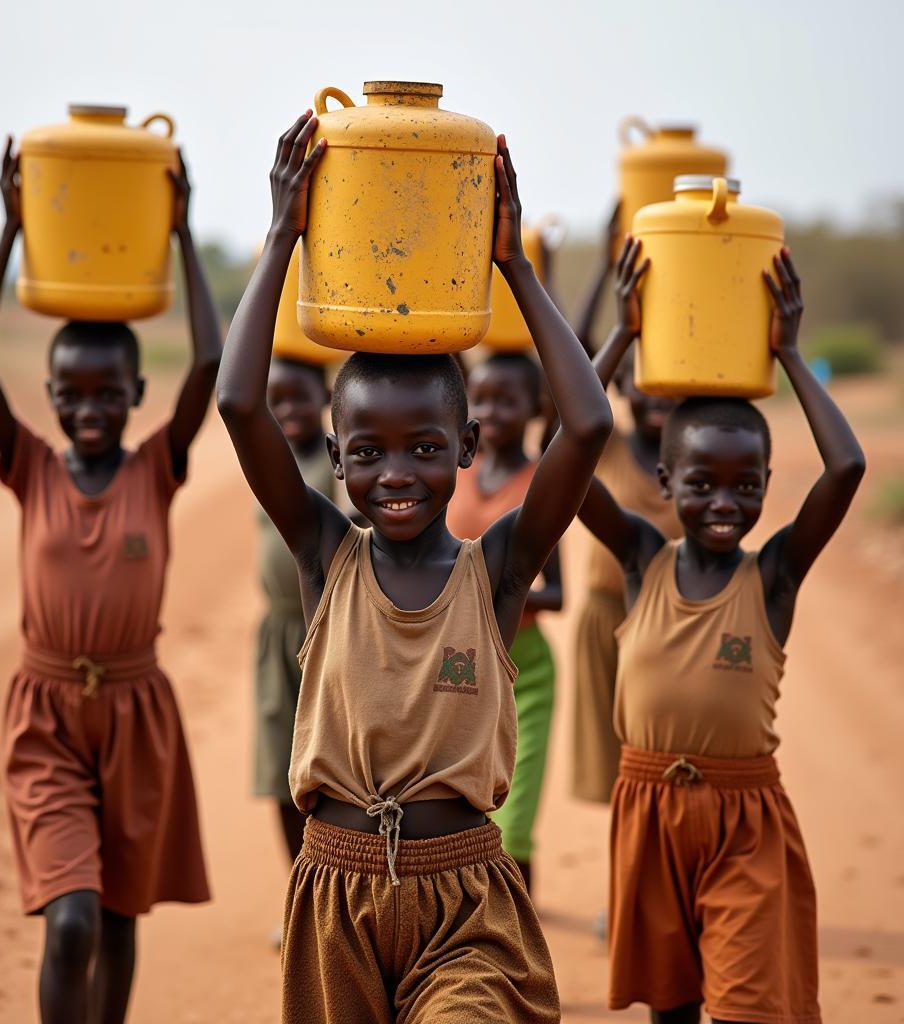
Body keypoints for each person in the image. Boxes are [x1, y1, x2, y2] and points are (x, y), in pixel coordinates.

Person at [217, 111, 613, 1022]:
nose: (396, 476)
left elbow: (586, 425)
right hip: (336, 898)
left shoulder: (499, 569)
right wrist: (283, 236)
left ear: (469, 445)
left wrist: (516, 268)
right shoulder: (326, 555)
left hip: (465, 897)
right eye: (369, 454)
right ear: (336, 455)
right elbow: (240, 406)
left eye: (426, 447)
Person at [0, 140, 221, 1024]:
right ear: (52, 395)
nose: (91, 409)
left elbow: (215, 369)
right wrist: (11, 229)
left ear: (138, 392)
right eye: (73, 394)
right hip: (48, 715)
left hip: (138, 714)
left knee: (117, 915)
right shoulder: (29, 465)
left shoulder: (159, 467)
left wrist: (182, 236)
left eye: (110, 393)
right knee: (69, 922)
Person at [579, 238, 865, 1023]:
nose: (723, 503)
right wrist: (625, 337)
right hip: (648, 809)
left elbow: (845, 471)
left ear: (769, 487)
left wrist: (793, 356)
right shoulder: (642, 557)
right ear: (666, 482)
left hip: (746, 824)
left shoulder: (772, 576)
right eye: (701, 483)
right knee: (670, 1010)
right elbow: (560, 458)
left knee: (744, 1005)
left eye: (746, 486)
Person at [570, 231, 681, 804]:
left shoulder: (696, 460)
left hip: (672, 621)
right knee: (615, 774)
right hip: (603, 618)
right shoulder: (609, 446)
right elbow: (576, 393)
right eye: (640, 383)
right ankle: (625, 890)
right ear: (623, 389)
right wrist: (624, 325)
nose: (654, 395)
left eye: (665, 381)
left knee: (664, 761)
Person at [446, 351, 562, 894]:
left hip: (526, 669)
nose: (491, 411)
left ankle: (519, 945)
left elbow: (558, 592)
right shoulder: (451, 471)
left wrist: (505, 587)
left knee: (513, 828)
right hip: (456, 666)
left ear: (536, 407)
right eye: (482, 399)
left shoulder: (542, 482)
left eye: (506, 400)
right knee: (462, 819)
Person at [255, 356, 335, 866]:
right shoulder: (273, 464)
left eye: (298, 396)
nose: (287, 410)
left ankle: (331, 890)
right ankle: (297, 891)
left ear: (325, 398)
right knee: (277, 769)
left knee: (323, 769)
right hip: (278, 632)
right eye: (275, 399)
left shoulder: (333, 465)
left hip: (323, 632)